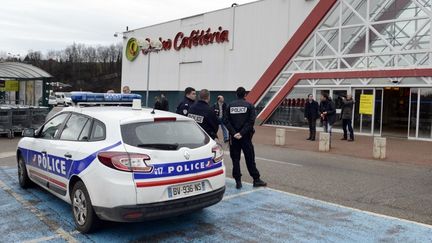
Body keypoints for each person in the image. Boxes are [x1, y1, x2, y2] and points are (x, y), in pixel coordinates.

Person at [224, 87, 267, 189]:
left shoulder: (230, 105)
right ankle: (256, 179)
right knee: (250, 158)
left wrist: (234, 133)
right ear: (245, 95)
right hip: (246, 137)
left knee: (235, 159)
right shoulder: (249, 106)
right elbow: (251, 122)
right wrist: (242, 133)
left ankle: (238, 182)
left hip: (233, 138)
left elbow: (226, 121)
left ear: (236, 94)